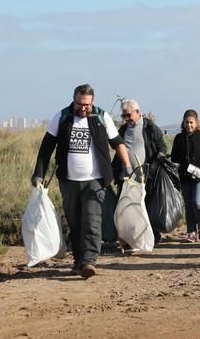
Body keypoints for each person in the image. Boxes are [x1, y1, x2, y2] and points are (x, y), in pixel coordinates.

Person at [31, 84, 131, 278]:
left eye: (87, 104)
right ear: (74, 100)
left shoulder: (101, 117)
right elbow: (46, 148)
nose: (83, 108)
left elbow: (117, 143)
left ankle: (89, 261)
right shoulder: (62, 117)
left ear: (92, 102)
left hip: (96, 180)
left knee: (92, 220)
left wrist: (127, 167)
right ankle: (78, 260)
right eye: (80, 104)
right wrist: (38, 174)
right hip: (69, 180)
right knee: (75, 222)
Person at [111, 98, 167, 245]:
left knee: (145, 207)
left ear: (137, 112)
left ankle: (152, 235)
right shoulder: (123, 130)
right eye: (124, 116)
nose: (126, 119)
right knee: (127, 208)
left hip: (146, 177)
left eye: (128, 115)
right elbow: (118, 150)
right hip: (125, 177)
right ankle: (131, 239)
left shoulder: (150, 128)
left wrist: (159, 157)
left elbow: (162, 147)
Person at [170, 110, 200, 242]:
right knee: (188, 204)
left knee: (196, 202)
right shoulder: (179, 138)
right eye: (186, 122)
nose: (189, 125)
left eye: (191, 122)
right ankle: (191, 231)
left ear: (196, 122)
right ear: (183, 123)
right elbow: (174, 158)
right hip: (185, 177)